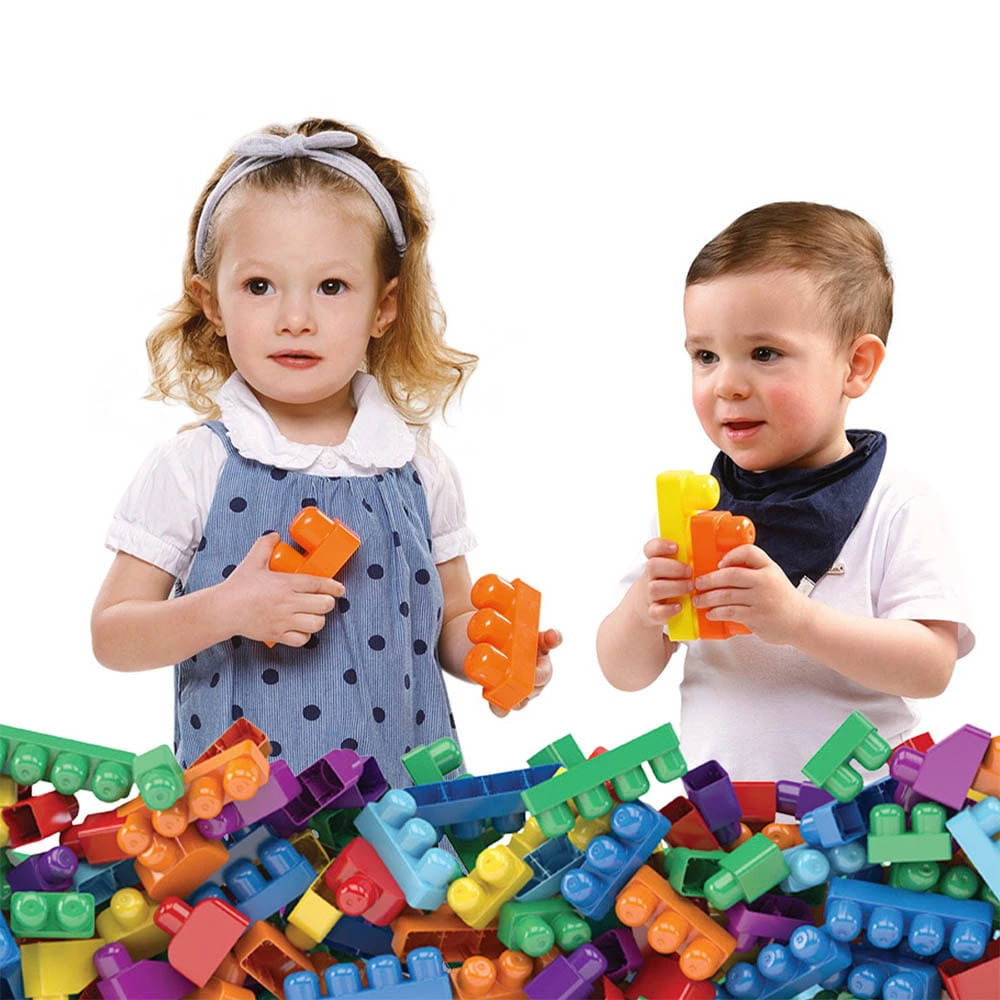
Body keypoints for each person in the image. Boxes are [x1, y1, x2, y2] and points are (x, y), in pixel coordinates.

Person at [92, 118, 559, 786]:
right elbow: (113, 634)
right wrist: (226, 608)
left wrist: (498, 654)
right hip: (247, 817)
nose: (295, 319)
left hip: (405, 811)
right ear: (211, 302)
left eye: (331, 287)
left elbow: (449, 622)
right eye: (260, 286)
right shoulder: (196, 465)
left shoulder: (417, 468)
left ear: (384, 306)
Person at [596, 202, 972, 781]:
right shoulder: (691, 507)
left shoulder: (896, 505)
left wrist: (798, 622)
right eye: (705, 356)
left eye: (764, 353)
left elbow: (931, 667)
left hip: (861, 811)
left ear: (856, 366)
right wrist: (646, 606)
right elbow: (623, 672)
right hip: (725, 814)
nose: (727, 384)